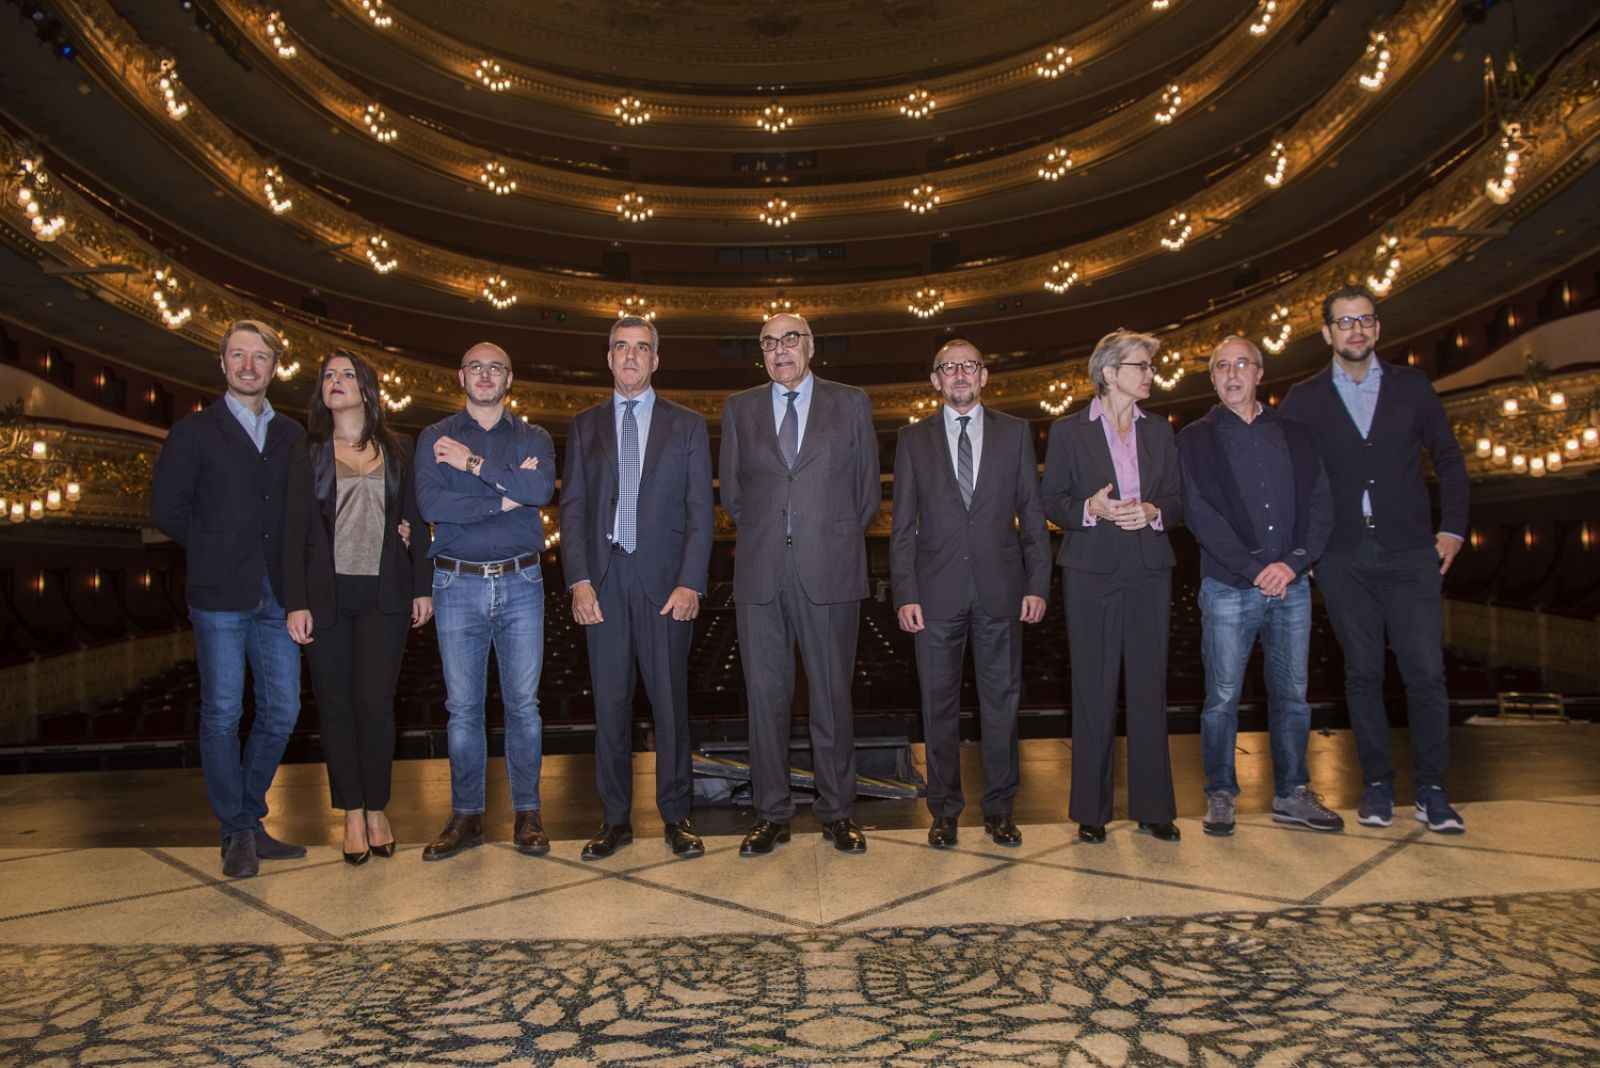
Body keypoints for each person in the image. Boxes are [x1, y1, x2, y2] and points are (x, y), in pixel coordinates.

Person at [1280, 285, 1470, 834]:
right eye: (1344, 322)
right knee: (1362, 674)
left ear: (1377, 328)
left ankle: (1432, 788)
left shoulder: (1412, 386)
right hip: (1342, 556)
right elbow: (1289, 477)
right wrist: (1303, 548)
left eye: (1364, 320)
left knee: (1426, 673)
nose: (1356, 330)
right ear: (1327, 333)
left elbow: (1450, 459)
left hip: (1411, 551)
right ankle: (1378, 784)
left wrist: (1453, 529)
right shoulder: (1304, 397)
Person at [150, 319, 307, 879]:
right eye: (238, 355)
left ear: (274, 368)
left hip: (278, 594)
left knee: (282, 709)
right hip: (219, 593)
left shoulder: (292, 433)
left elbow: (303, 510)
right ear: (222, 364)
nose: (248, 366)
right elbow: (166, 509)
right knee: (222, 712)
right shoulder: (194, 431)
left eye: (260, 357)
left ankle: (247, 816)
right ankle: (237, 829)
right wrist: (217, 545)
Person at [719, 313, 879, 855]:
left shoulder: (850, 402)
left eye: (790, 339)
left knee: (831, 697)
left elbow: (866, 494)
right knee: (765, 700)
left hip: (830, 567)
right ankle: (771, 813)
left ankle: (838, 811)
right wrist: (774, 534)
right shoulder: (739, 408)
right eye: (768, 342)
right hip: (760, 571)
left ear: (811, 347)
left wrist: (824, 536)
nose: (779, 349)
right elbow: (733, 497)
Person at [560, 317, 714, 861]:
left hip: (666, 586)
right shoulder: (583, 426)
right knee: (610, 708)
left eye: (641, 348)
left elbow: (700, 512)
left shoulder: (687, 425)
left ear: (655, 360)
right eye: (621, 347)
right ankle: (614, 820)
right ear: (608, 359)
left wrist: (691, 581)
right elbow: (572, 510)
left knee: (670, 706)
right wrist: (579, 580)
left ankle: (677, 817)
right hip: (603, 583)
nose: (630, 356)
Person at [1177, 336, 1339, 837]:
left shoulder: (1296, 433)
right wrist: (1254, 569)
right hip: (1228, 586)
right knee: (1221, 697)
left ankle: (1292, 793)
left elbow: (1321, 503)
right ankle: (1221, 793)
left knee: (1292, 694)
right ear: (1212, 378)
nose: (1232, 374)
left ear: (1259, 372)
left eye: (1241, 364)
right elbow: (1200, 513)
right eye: (1221, 366)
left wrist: (1292, 564)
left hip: (1291, 584)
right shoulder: (1193, 439)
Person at [890, 339, 1050, 849]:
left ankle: (1000, 810)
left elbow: (1033, 517)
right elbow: (901, 527)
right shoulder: (912, 439)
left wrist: (1037, 583)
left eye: (968, 365)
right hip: (934, 594)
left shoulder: (1015, 432)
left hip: (1002, 590)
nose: (959, 374)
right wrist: (905, 593)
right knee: (937, 707)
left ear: (983, 375)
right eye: (948, 367)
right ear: (935, 380)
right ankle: (943, 811)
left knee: (1001, 706)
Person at [282, 352, 433, 864]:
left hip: (384, 594)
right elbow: (292, 533)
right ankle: (350, 811)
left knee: (375, 707)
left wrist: (422, 586)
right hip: (326, 596)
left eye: (347, 375)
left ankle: (377, 809)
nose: (336, 381)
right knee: (335, 708)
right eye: (328, 375)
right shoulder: (307, 452)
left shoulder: (400, 447)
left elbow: (415, 520)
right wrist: (295, 602)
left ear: (367, 388)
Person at [414, 342, 557, 860]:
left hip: (522, 581)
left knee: (524, 707)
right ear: (461, 376)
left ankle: (528, 814)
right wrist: (504, 495)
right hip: (456, 584)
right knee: (462, 710)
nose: (485, 374)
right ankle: (466, 816)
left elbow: (539, 490)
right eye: (475, 366)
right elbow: (432, 503)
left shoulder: (535, 436)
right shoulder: (434, 437)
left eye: (496, 367)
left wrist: (471, 464)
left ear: (509, 378)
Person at [1041, 329, 1183, 844]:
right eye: (1141, 366)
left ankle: (1154, 808)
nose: (1150, 375)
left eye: (1150, 366)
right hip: (1090, 570)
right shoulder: (1068, 431)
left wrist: (1154, 511)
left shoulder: (1160, 430)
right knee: (1093, 690)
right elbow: (1051, 501)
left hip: (1149, 567)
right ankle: (1091, 812)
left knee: (1149, 688)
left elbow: (1178, 498)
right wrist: (1090, 508)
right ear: (1109, 372)